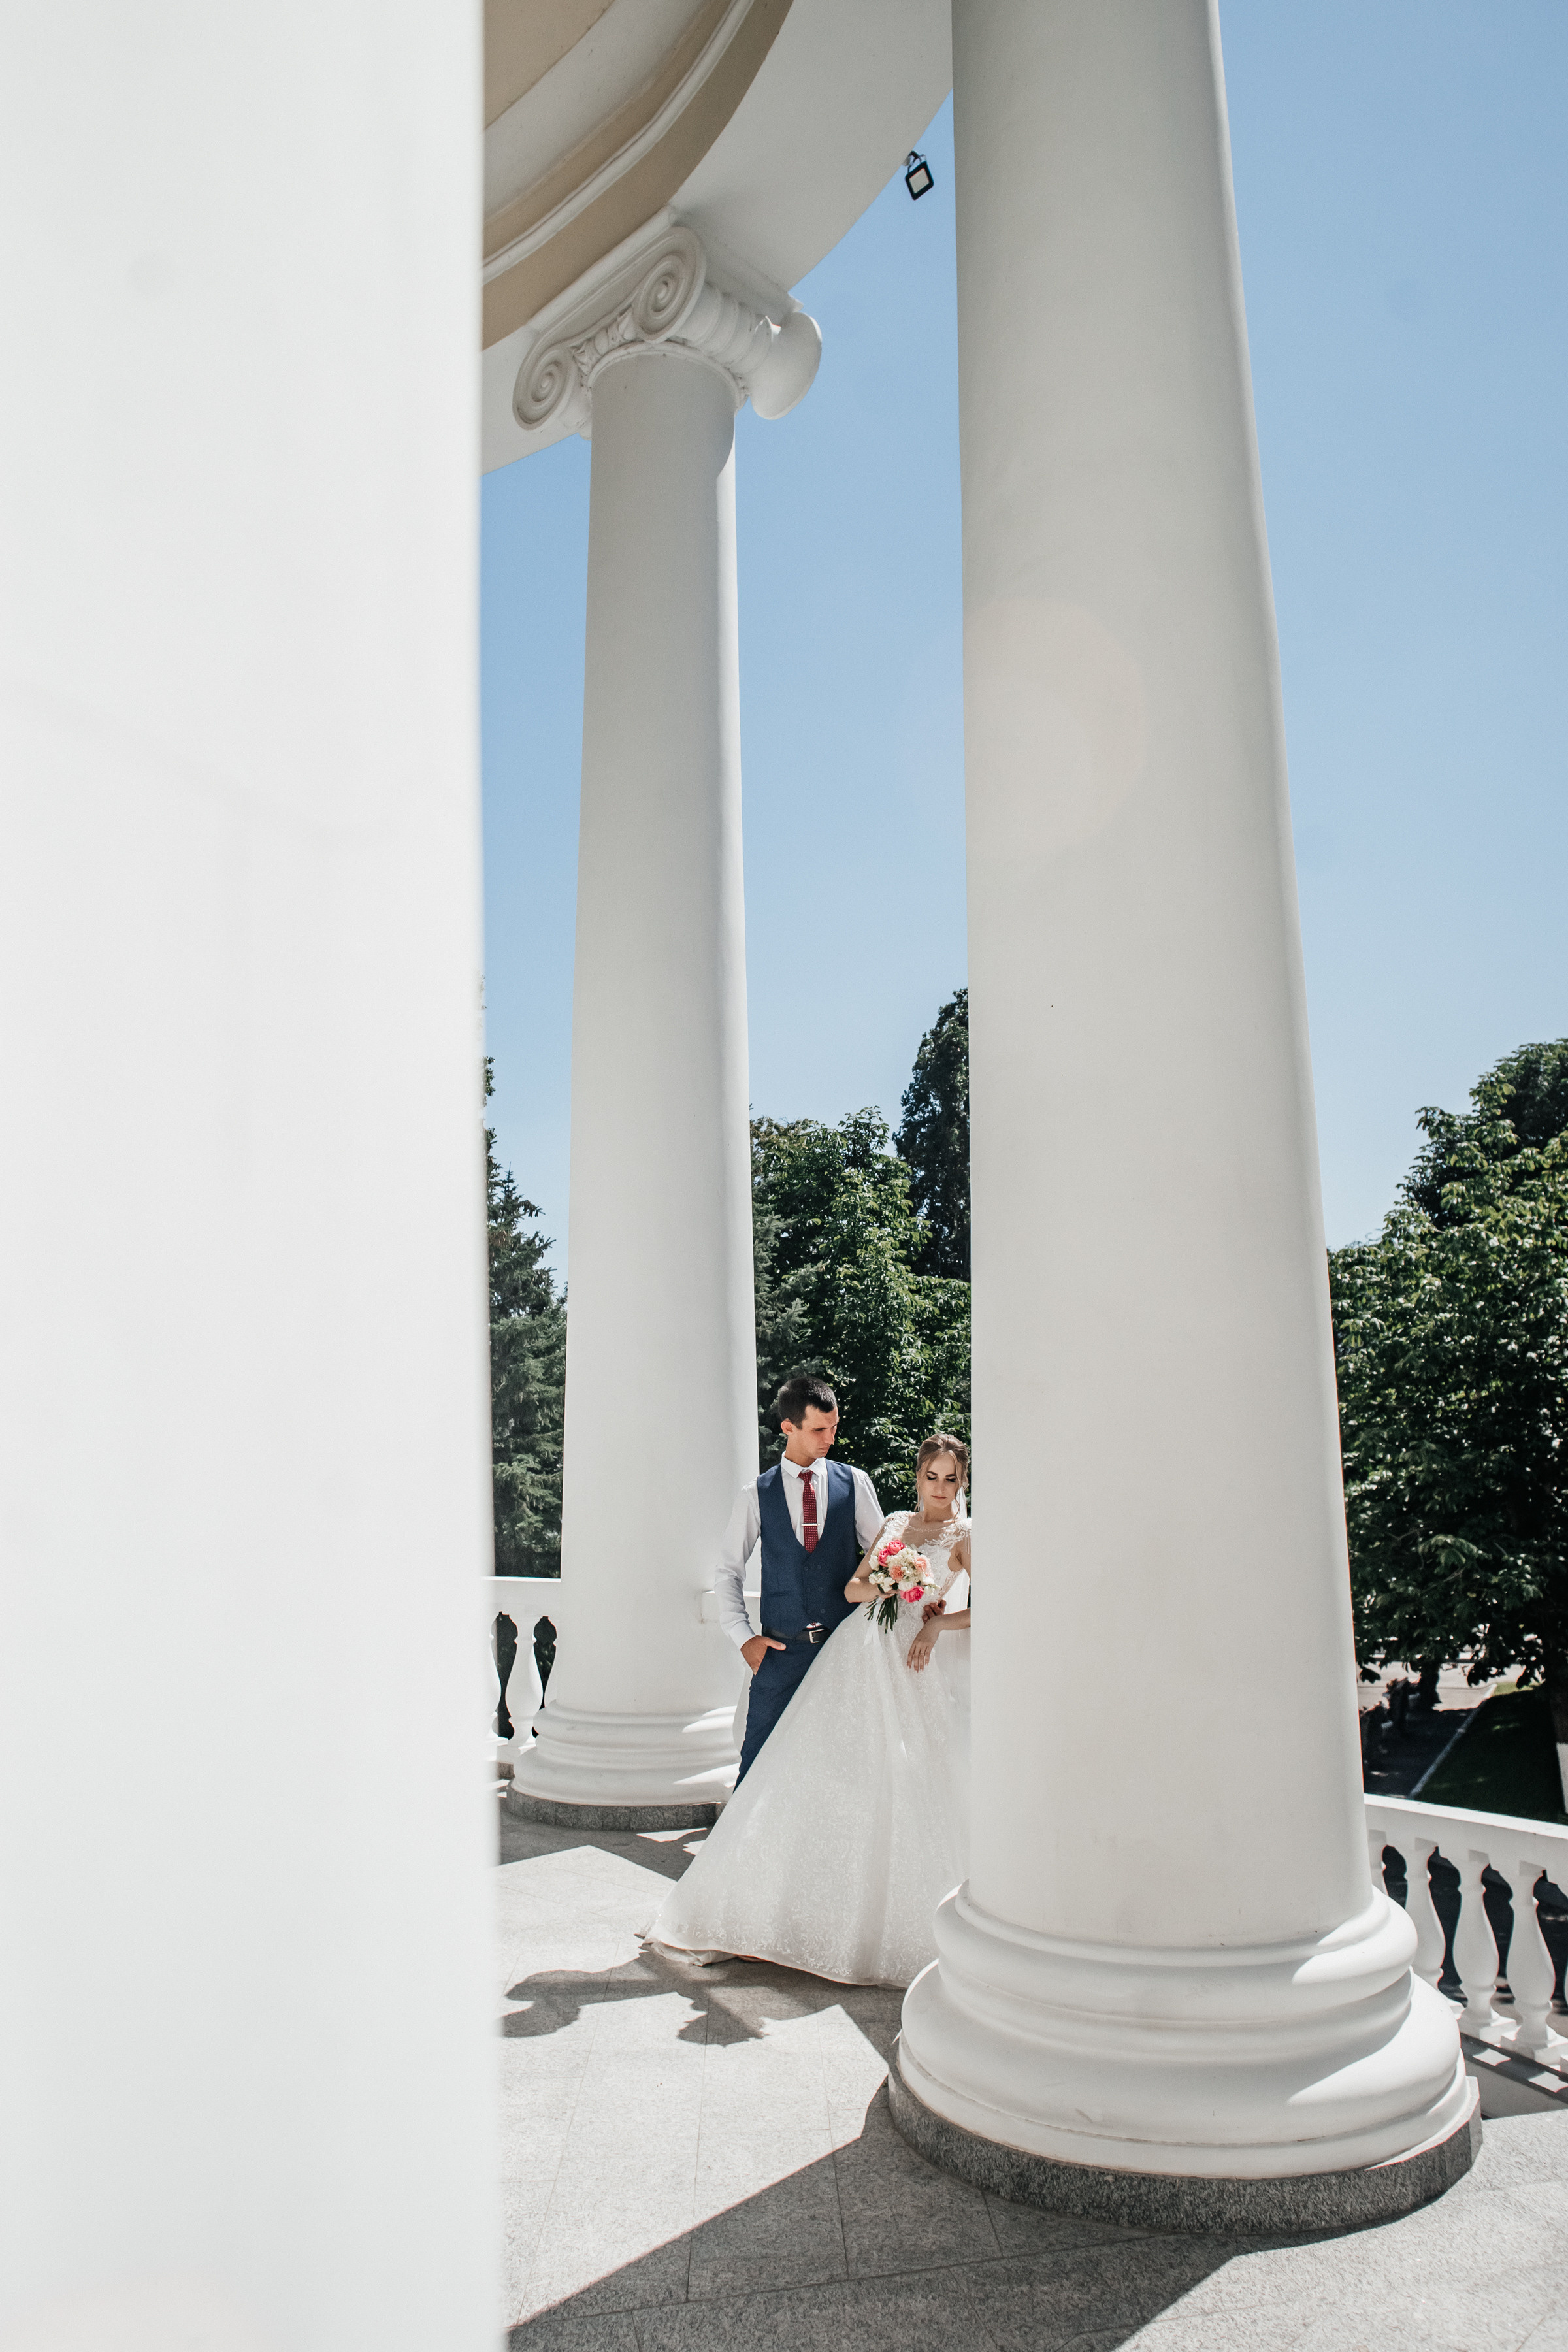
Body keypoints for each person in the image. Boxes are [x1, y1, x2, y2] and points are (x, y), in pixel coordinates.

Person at [652, 1433, 973, 1987]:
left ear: (962, 1483)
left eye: (951, 1479)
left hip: (909, 1663)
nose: (940, 1489)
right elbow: (851, 1590)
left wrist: (937, 1621)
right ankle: (774, 1913)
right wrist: (891, 1583)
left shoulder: (966, 1535)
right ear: (917, 1476)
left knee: (898, 1782)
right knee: (817, 1776)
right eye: (932, 1477)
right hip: (858, 1652)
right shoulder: (895, 1524)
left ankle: (877, 1924)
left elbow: (996, 1604)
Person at [713, 1375, 887, 1783]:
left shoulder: (854, 1483)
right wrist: (743, 1637)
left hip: (843, 1653)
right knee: (757, 1767)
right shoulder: (756, 1493)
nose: (830, 1437)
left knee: (843, 1768)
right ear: (788, 1428)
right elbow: (727, 1570)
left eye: (835, 1426)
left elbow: (884, 1561)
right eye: (819, 1430)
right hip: (780, 1653)